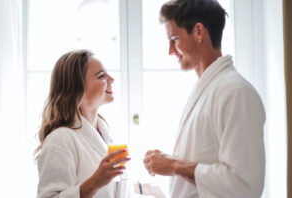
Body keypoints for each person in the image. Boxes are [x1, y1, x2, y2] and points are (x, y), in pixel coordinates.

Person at [143, 0, 266, 197]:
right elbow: (206, 159)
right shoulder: (209, 89)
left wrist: (174, 165)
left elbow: (244, 184)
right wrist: (168, 161)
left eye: (174, 39)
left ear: (199, 32)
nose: (170, 51)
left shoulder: (235, 92)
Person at [35, 49, 130, 198]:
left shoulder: (105, 135)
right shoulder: (60, 140)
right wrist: (94, 183)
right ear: (77, 88)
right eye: (101, 76)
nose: (111, 79)